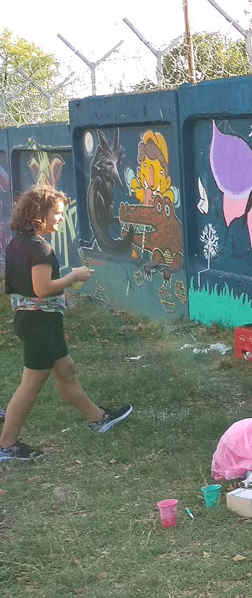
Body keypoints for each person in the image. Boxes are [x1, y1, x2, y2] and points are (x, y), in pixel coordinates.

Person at [0, 184, 133, 464]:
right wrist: (73, 277)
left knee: (66, 371)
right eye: (57, 213)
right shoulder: (40, 248)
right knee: (31, 384)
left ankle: (98, 418)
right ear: (39, 215)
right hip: (41, 324)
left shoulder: (17, 243)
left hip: (32, 321)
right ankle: (6, 446)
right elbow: (43, 288)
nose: (61, 218)